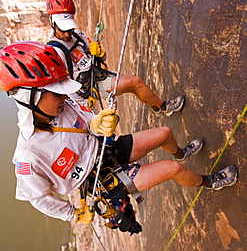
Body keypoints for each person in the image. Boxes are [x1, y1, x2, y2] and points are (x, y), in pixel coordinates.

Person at [0, 42, 238, 232]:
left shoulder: (62, 105)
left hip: (107, 148)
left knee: (165, 134)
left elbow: (86, 116)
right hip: (104, 178)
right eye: (56, 93)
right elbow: (38, 198)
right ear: (29, 98)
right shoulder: (28, 156)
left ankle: (182, 152)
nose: (64, 97)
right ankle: (210, 181)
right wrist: (72, 213)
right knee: (173, 170)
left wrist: (96, 122)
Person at [46, 0, 185, 114]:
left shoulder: (78, 36)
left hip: (98, 75)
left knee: (134, 88)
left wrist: (100, 53)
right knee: (136, 82)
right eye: (63, 29)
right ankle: (165, 107)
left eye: (69, 28)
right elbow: (65, 84)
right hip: (91, 88)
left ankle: (155, 106)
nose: (67, 34)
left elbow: (103, 56)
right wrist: (84, 104)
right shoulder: (56, 51)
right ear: (52, 23)